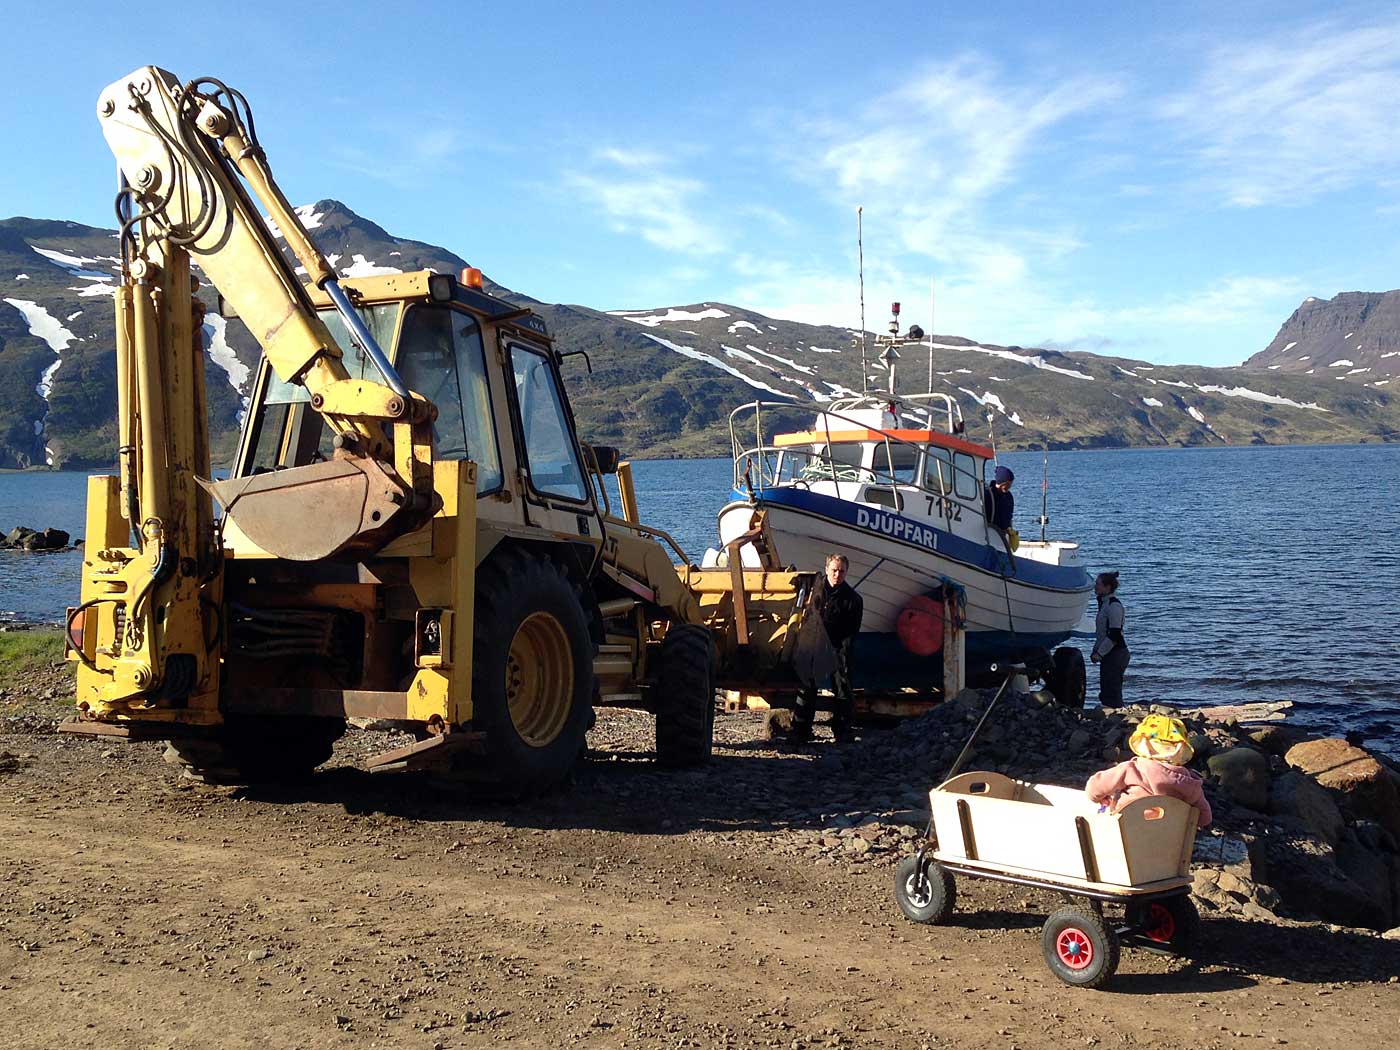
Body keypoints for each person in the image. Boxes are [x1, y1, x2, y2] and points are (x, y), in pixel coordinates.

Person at [1085, 714, 1212, 827]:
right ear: (1182, 751)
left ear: (1143, 745)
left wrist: (1099, 798)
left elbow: (1095, 787)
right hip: (1170, 840)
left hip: (1127, 831)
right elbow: (1204, 818)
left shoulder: (1132, 769)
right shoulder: (1190, 784)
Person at [790, 552, 864, 744]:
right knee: (806, 687)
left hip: (838, 645)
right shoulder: (814, 591)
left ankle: (842, 731)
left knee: (842, 688)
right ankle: (800, 731)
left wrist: (842, 657)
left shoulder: (853, 599)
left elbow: (851, 631)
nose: (837, 575)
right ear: (826, 570)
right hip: (814, 644)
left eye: (841, 571)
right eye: (834, 570)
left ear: (846, 572)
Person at [1091, 570, 1129, 709]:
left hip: (1116, 652)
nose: (1095, 587)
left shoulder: (1114, 606)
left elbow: (1114, 634)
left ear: (1108, 588)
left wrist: (1099, 653)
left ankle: (1117, 717)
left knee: (1112, 690)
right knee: (1106, 690)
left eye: (1098, 584)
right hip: (1109, 653)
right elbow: (1101, 633)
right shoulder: (1104, 604)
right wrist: (1097, 651)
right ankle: (1112, 715)